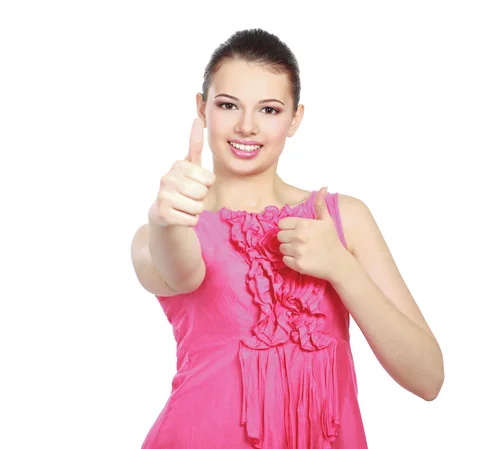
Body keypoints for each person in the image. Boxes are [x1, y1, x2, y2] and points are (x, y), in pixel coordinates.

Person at [130, 28, 444, 449]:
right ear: (202, 109)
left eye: (269, 110)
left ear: (295, 118)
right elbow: (181, 271)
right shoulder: (162, 231)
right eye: (228, 105)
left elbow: (428, 378)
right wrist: (165, 218)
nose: (246, 127)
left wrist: (342, 269)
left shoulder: (342, 219)